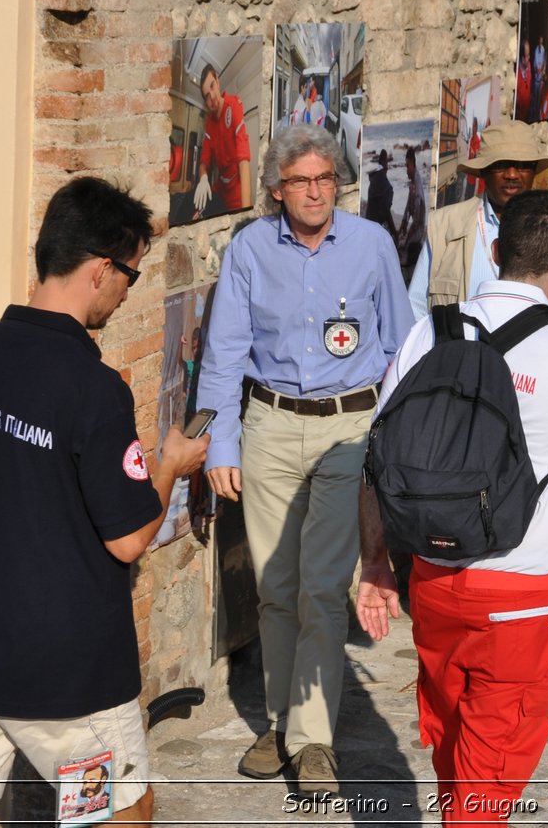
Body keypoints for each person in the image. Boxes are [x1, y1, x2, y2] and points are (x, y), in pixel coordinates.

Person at [0, 177, 210, 827]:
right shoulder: (93, 388)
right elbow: (128, 538)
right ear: (101, 268)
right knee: (117, 808)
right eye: (131, 273)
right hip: (63, 681)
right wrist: (172, 465)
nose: (128, 291)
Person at [356, 190, 548, 826]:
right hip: (523, 598)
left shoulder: (432, 330)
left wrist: (375, 561)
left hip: (437, 582)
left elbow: (376, 453)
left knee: (457, 758)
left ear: (495, 252)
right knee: (486, 790)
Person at [198, 125, 414, 796]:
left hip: (349, 426)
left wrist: (396, 439)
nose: (317, 191)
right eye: (302, 181)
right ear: (276, 189)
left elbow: (403, 344)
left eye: (326, 178)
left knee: (323, 584)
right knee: (275, 584)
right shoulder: (250, 251)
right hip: (269, 424)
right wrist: (221, 443)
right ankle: (280, 719)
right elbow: (223, 353)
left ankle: (312, 738)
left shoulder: (373, 244)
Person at [409, 122, 548, 322]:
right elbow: (416, 306)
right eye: (500, 165)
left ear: (534, 171)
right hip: (463, 352)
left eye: (523, 165)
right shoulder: (445, 226)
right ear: (483, 172)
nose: (512, 175)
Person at [194, 64, 253, 216]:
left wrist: (245, 214)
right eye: (207, 96)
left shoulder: (233, 105)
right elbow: (204, 162)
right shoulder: (209, 123)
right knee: (197, 214)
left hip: (235, 189)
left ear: (218, 81)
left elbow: (243, 159)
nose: (212, 96)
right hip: (220, 187)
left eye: (212, 86)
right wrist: (204, 178)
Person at [395, 145, 427, 280]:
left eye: (407, 166)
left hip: (418, 233)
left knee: (403, 257)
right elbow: (408, 208)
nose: (406, 170)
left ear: (413, 164)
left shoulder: (418, 189)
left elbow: (417, 222)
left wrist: (406, 241)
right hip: (413, 229)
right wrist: (402, 227)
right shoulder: (412, 183)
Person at [362, 148, 395, 231]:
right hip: (376, 224)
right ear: (385, 163)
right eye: (387, 163)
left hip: (369, 220)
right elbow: (386, 211)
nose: (387, 167)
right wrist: (394, 231)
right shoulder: (382, 181)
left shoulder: (374, 178)